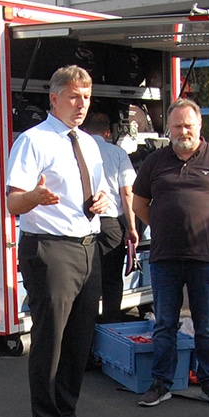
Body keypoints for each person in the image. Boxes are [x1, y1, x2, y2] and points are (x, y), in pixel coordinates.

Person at [6, 65, 108, 417]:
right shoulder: (33, 141)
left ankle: (67, 414)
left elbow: (97, 193)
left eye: (86, 96)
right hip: (50, 248)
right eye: (73, 96)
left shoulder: (89, 143)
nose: (81, 104)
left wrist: (101, 201)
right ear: (54, 98)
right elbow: (14, 199)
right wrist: (36, 198)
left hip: (86, 245)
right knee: (50, 341)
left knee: (80, 339)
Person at [132, 98, 209, 408]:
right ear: (168, 128)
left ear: (200, 126)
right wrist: (165, 225)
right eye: (178, 125)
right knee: (165, 324)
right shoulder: (155, 162)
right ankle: (162, 382)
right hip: (165, 258)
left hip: (205, 259)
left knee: (206, 325)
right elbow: (139, 204)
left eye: (189, 125)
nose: (184, 130)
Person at [84, 110, 138, 324]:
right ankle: (111, 325)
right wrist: (132, 228)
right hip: (110, 224)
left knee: (86, 279)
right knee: (112, 280)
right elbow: (127, 192)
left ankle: (86, 328)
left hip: (84, 223)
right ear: (108, 132)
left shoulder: (77, 151)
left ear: (85, 130)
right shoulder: (117, 153)